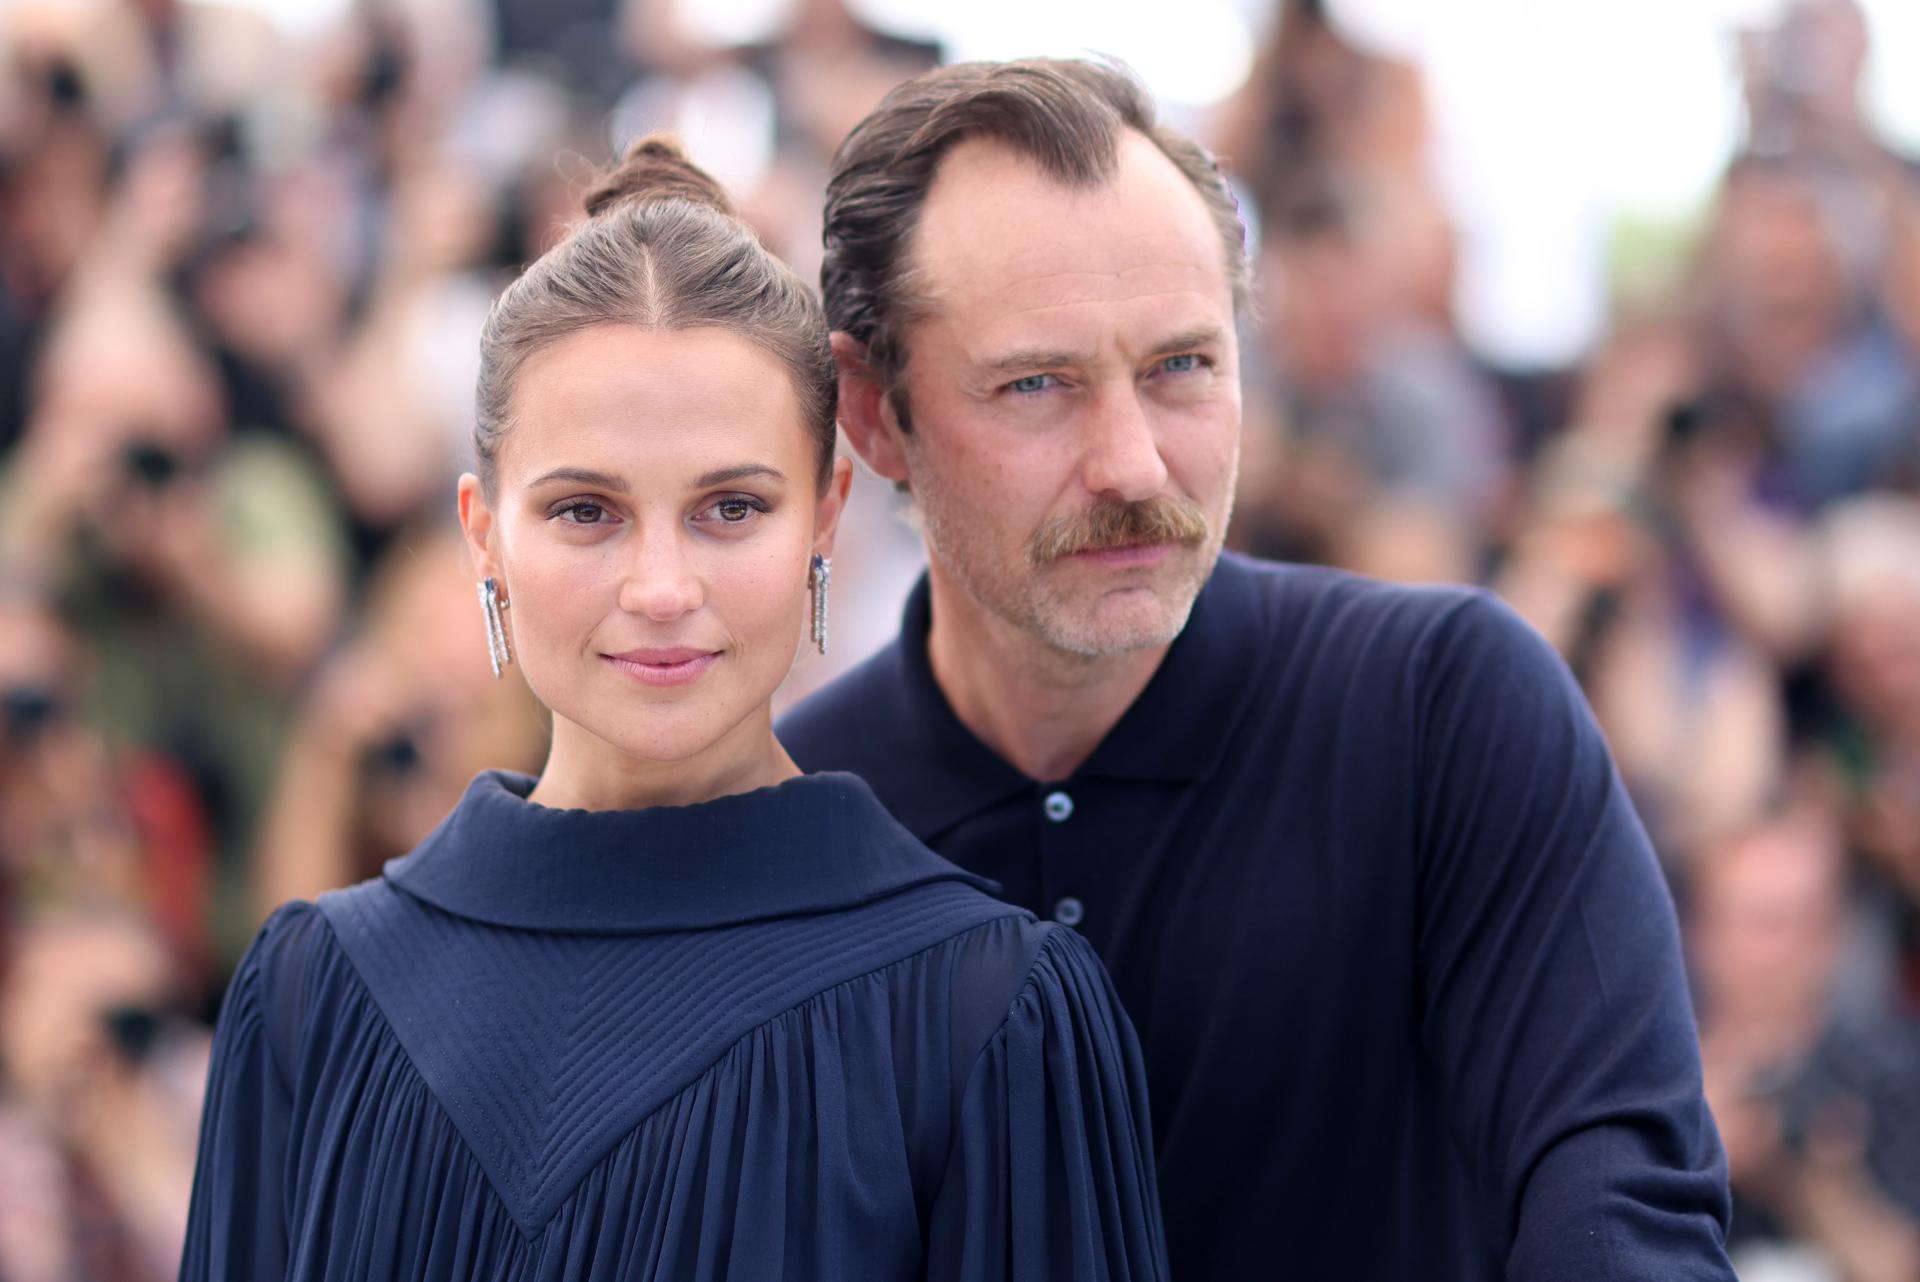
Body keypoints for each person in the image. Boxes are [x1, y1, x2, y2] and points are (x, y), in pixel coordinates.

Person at [779, 58, 1738, 1279]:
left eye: (1183, 366)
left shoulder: (1444, 710)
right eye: (1038, 385)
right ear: (871, 413)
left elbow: (1623, 1195)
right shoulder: (795, 829)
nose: (1132, 462)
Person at [178, 136, 1168, 1281]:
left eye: (731, 507)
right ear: (482, 532)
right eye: (586, 511)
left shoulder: (989, 1011)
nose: (660, 588)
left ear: (827, 514)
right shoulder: (314, 996)